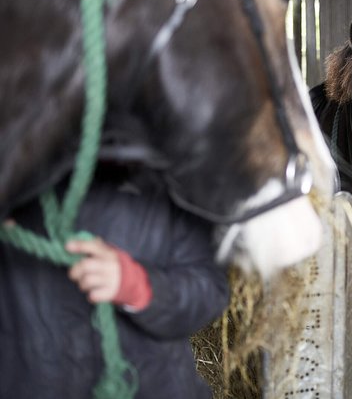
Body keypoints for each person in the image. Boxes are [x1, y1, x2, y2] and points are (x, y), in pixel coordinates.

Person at [0, 164, 230, 398]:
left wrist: (138, 285)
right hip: (32, 379)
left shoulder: (170, 178)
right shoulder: (16, 164)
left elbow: (209, 290)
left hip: (151, 383)